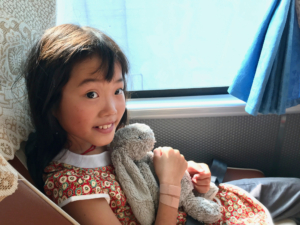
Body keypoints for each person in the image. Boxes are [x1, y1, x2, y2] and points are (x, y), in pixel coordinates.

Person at [23, 24, 300, 225]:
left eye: (118, 91)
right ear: (51, 102)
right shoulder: (76, 189)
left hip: (207, 201)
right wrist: (170, 184)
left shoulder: (109, 142)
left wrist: (188, 175)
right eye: (91, 94)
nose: (112, 109)